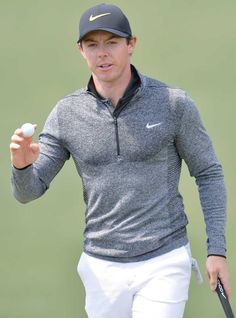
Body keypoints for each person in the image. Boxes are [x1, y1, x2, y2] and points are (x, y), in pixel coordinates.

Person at [10, 3, 231, 318]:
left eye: (111, 42)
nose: (102, 53)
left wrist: (216, 251)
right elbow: (27, 192)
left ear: (131, 45)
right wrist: (21, 166)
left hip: (164, 260)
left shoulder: (173, 104)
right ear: (81, 51)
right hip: (101, 268)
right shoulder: (67, 114)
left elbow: (208, 173)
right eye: (92, 45)